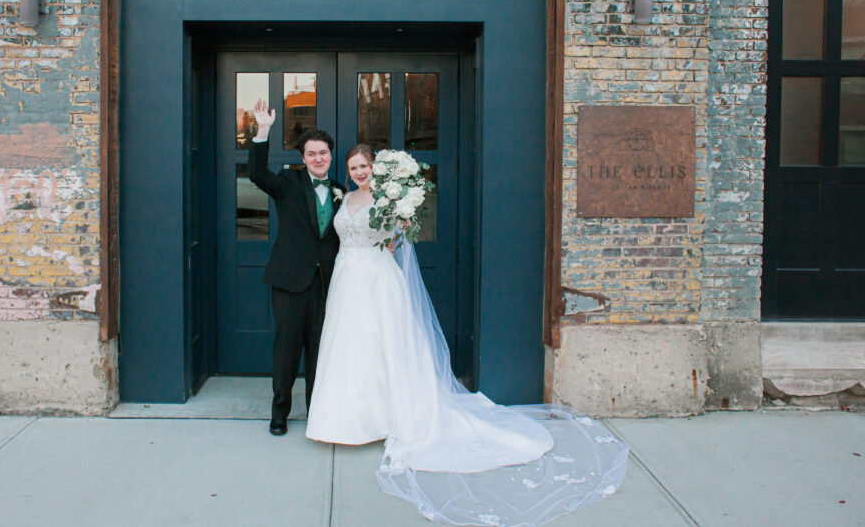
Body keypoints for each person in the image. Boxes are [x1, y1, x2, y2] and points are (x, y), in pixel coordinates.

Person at [305, 144, 630, 527]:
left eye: (363, 166)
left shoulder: (388, 200)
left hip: (377, 281)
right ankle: (344, 420)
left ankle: (386, 420)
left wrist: (397, 232)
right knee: (349, 350)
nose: (358, 172)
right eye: (353, 167)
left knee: (383, 348)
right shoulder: (346, 199)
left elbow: (399, 237)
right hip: (347, 281)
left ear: (374, 168)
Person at [248, 98, 345, 436]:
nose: (318, 158)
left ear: (330, 156)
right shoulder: (288, 182)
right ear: (303, 158)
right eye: (311, 154)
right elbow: (256, 173)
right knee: (286, 352)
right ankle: (279, 414)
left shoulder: (341, 192)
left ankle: (316, 415)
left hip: (326, 284)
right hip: (290, 282)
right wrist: (263, 131)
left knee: (320, 354)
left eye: (323, 153)